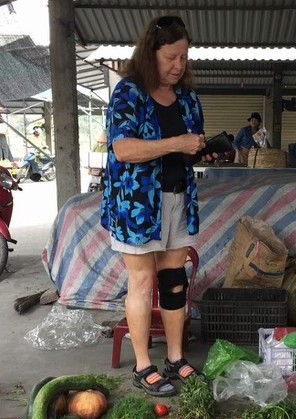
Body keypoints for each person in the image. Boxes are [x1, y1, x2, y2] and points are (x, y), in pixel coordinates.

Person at [101, 15, 210, 397]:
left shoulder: (187, 96)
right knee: (142, 282)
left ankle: (176, 359)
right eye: (170, 57)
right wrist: (177, 143)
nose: (178, 66)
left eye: (183, 57)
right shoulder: (129, 92)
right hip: (137, 204)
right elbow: (123, 148)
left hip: (178, 196)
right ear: (151, 54)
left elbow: (190, 141)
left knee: (174, 282)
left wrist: (200, 147)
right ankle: (143, 364)